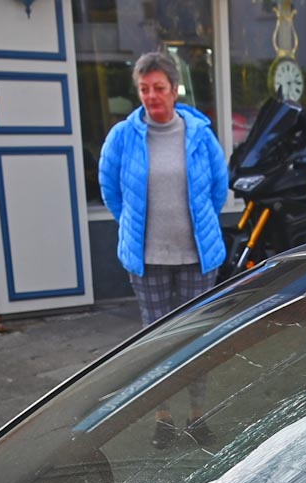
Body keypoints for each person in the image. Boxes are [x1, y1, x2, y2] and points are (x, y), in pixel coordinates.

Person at [97, 51, 230, 328]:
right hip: (148, 258)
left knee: (194, 331)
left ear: (173, 89)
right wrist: (132, 223)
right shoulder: (121, 137)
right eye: (144, 89)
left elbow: (218, 189)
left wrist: (201, 221)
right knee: (156, 334)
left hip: (197, 256)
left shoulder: (201, 135)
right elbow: (111, 192)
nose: (151, 96)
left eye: (159, 88)